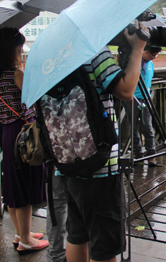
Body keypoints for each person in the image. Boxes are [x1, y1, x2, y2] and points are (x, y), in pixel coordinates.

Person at [48, 24, 148, 262]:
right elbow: (125, 90)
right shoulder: (94, 49)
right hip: (100, 165)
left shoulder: (55, 55)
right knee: (104, 247)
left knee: (77, 234)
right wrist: (137, 49)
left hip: (67, 162)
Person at [0, 27, 49, 253]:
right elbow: (35, 98)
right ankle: (26, 241)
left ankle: (21, 233)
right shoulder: (15, 74)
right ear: (11, 49)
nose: (21, 52)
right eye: (19, 47)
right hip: (24, 134)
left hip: (7, 133)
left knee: (13, 185)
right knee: (25, 184)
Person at [124, 44, 159, 166]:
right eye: (153, 55)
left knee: (148, 127)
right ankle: (137, 152)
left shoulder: (150, 64)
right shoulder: (133, 61)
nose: (154, 57)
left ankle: (151, 154)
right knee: (132, 127)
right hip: (132, 98)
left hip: (146, 99)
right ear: (146, 52)